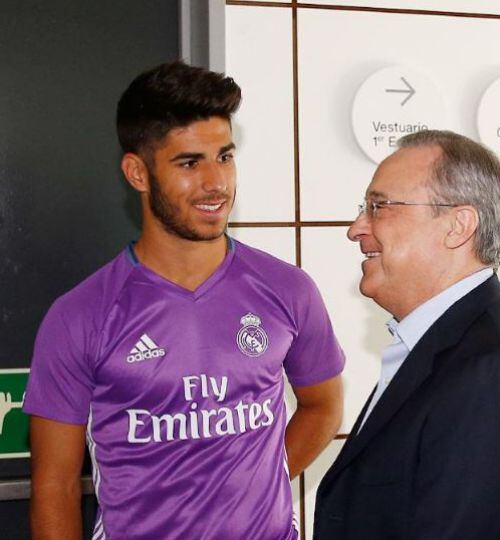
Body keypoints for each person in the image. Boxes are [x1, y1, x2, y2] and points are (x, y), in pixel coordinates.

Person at [23, 61, 344, 540]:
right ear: (137, 172)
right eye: (190, 163)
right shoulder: (80, 316)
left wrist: (251, 484)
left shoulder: (287, 289)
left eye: (225, 156)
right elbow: (55, 486)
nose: (216, 183)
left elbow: (323, 406)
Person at [313, 130, 500, 539]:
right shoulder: (457, 348)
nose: (356, 229)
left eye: (379, 207)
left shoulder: (496, 373)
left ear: (458, 226)